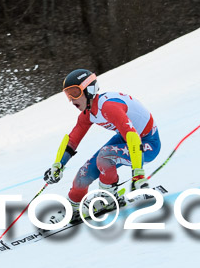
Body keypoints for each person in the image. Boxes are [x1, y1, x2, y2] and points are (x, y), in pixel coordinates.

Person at [44, 69, 162, 220]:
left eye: (74, 92)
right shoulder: (87, 114)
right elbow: (72, 141)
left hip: (147, 143)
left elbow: (132, 136)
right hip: (126, 140)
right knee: (83, 174)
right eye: (68, 94)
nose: (71, 99)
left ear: (89, 90)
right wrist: (58, 165)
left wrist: (138, 174)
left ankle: (109, 198)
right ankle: (73, 206)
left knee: (105, 155)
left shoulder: (108, 106)